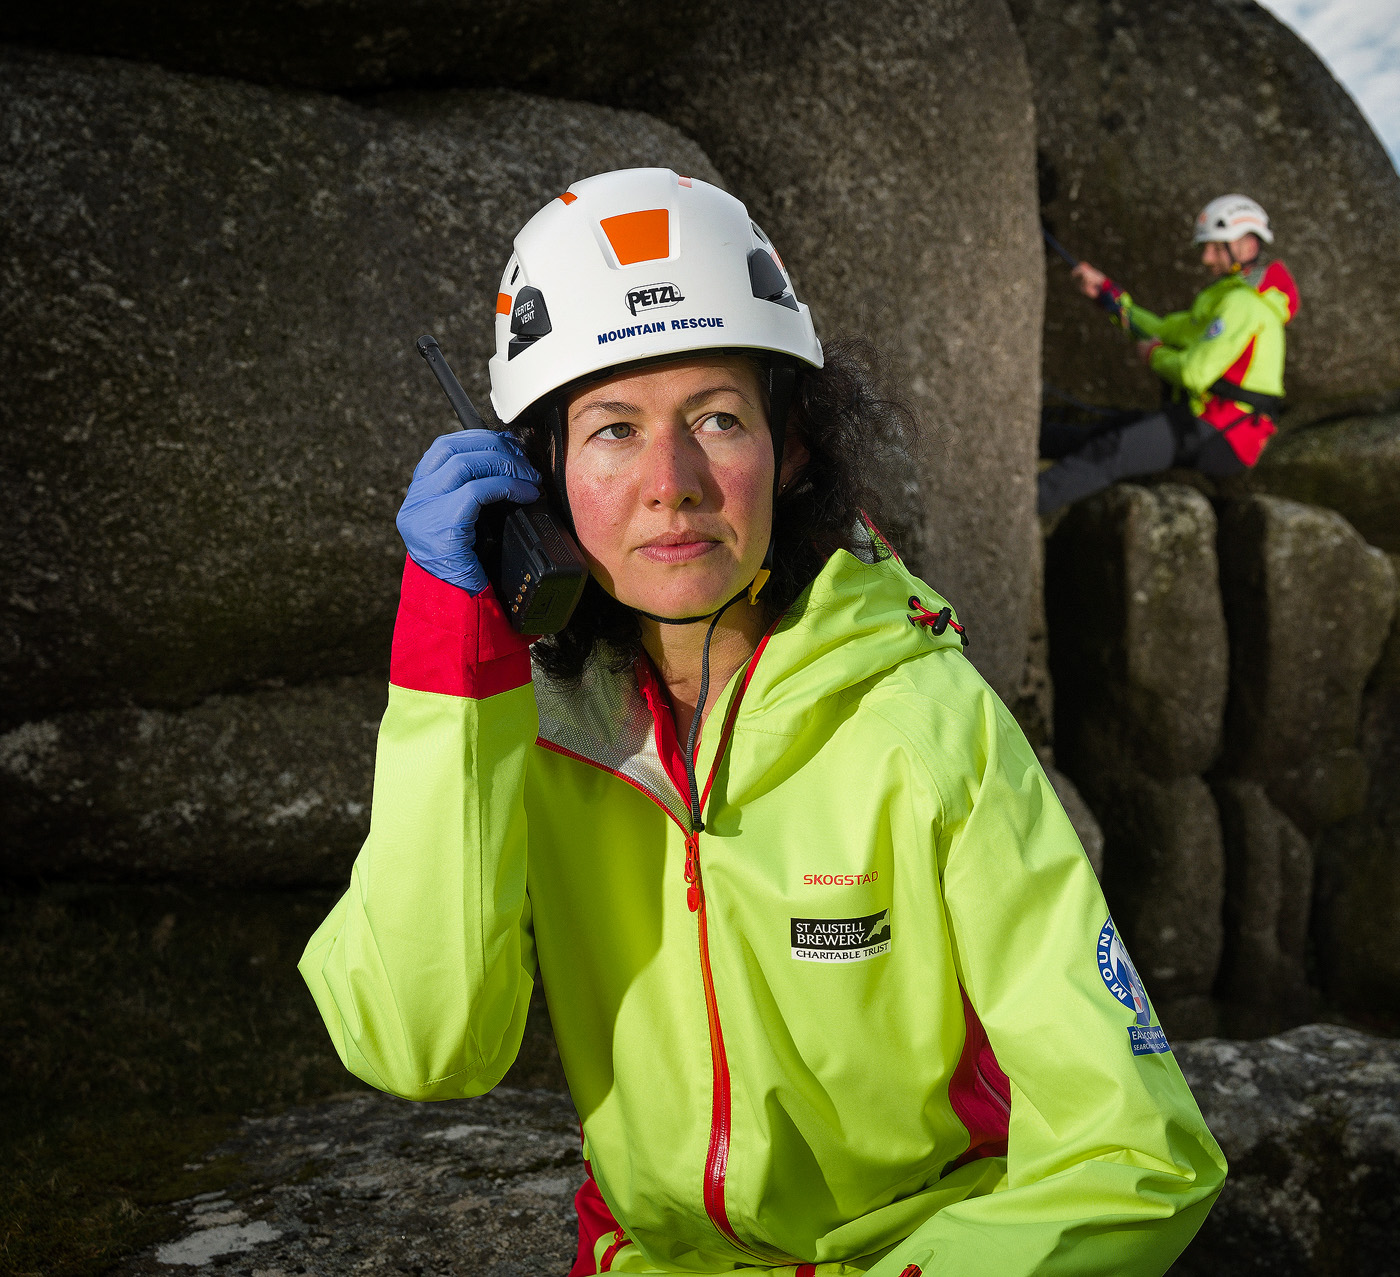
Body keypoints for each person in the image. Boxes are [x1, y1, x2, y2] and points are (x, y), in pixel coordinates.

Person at [299, 168, 1225, 1276]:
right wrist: (451, 654)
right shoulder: (527, 732)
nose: (672, 483)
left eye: (718, 418)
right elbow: (421, 1043)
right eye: (612, 429)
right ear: (539, 473)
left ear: (792, 450)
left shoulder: (926, 718)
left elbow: (1136, 1152)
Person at [1037, 194, 1298, 516]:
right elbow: (1161, 330)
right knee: (1102, 433)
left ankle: (1013, 511)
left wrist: (1154, 356)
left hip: (1222, 435)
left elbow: (1193, 373)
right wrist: (1107, 294)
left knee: (1110, 450)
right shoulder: (1225, 297)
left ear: (1247, 246)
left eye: (1216, 247)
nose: (1205, 258)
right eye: (1206, 247)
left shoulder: (1243, 305)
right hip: (1204, 423)